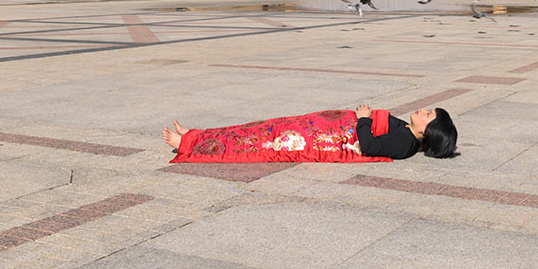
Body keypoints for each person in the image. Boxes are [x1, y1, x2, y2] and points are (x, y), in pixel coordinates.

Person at [163, 106, 457, 163]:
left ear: (426, 131)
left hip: (317, 139)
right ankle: (197, 134)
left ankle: (189, 145)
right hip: (320, 126)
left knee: (258, 142)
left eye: (428, 115)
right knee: (259, 127)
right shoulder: (406, 132)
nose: (423, 111)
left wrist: (365, 119)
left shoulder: (404, 143)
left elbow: (367, 146)